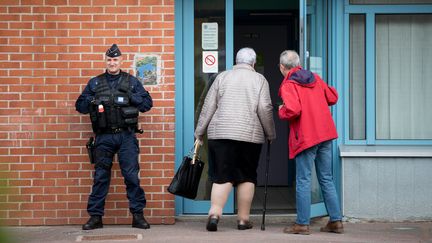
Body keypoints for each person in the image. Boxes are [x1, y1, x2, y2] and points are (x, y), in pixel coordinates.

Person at [195, 47, 276, 232]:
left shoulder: (222, 77)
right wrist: (271, 134)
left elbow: (208, 106)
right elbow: (265, 108)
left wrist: (200, 131)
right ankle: (243, 220)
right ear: (253, 63)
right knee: (246, 176)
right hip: (249, 136)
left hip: (221, 134)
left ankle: (214, 214)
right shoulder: (259, 79)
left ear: (236, 61)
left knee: (221, 176)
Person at [75, 44, 153, 230]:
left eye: (115, 60)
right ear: (105, 61)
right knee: (101, 177)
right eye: (109, 60)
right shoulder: (95, 83)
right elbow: (80, 106)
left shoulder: (132, 82)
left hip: (126, 136)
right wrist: (92, 100)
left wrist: (132, 96)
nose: (112, 63)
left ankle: (138, 216)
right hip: (103, 137)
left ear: (121, 61)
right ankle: (95, 217)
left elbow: (147, 104)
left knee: (131, 177)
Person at [277, 50, 343, 235]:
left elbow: (293, 110)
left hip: (306, 137)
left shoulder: (288, 84)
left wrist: (281, 110)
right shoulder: (314, 77)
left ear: (282, 67)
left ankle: (302, 224)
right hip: (325, 134)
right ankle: (336, 221)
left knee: (303, 180)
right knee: (326, 178)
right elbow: (333, 97)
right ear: (298, 63)